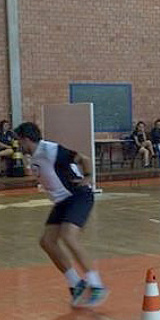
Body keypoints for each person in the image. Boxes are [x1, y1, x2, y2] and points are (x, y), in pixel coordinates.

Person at [14, 122, 108, 307]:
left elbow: (83, 158)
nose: (18, 145)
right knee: (47, 242)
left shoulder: (49, 149)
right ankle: (76, 284)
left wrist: (88, 177)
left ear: (26, 139)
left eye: (19, 141)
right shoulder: (33, 157)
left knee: (68, 236)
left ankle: (96, 285)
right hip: (62, 201)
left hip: (78, 196)